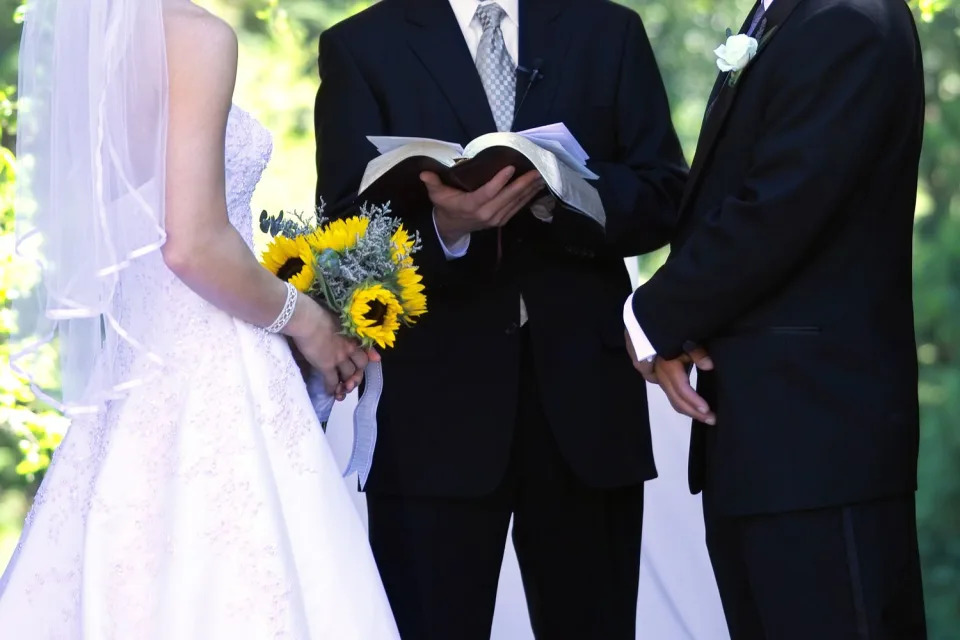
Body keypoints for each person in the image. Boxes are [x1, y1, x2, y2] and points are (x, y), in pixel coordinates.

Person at [0, 1, 398, 637]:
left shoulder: (101, 47)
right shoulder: (196, 37)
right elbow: (191, 244)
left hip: (136, 370)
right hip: (219, 365)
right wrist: (309, 321)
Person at [315, 0, 686, 637]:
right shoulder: (360, 45)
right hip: (432, 413)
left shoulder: (608, 29)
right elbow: (344, 233)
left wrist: (556, 198)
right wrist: (445, 227)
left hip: (586, 408)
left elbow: (664, 198)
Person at [625, 0, 927, 637]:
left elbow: (784, 204)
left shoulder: (851, 18)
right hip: (759, 436)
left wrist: (653, 315)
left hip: (819, 440)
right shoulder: (782, 14)